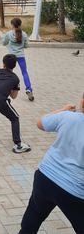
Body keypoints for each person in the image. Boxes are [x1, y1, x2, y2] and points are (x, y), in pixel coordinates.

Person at [18, 98, 84, 234]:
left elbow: (41, 122)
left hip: (45, 177)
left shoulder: (68, 117)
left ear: (82, 103)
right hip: (73, 190)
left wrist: (63, 110)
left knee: (35, 213)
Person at [2, 18, 34, 101]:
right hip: (21, 56)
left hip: (11, 56)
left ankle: (5, 89)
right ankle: (28, 89)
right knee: (24, 72)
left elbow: (4, 43)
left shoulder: (8, 34)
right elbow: (26, 46)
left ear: (12, 25)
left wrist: (4, 35)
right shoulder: (23, 34)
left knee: (7, 72)